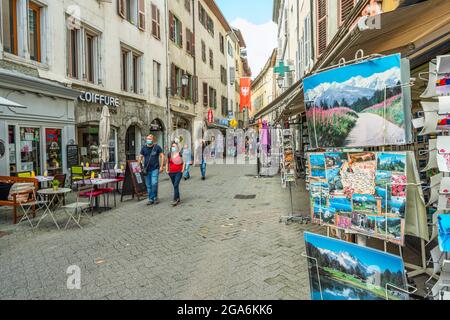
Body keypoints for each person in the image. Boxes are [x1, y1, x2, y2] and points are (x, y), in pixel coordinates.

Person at [139, 134, 164, 206]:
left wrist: (161, 166)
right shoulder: (144, 148)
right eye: (147, 139)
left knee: (154, 183)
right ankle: (150, 199)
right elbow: (140, 157)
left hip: (155, 168)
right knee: (148, 185)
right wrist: (138, 164)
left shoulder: (157, 147)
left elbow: (162, 156)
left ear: (153, 140)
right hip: (146, 170)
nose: (148, 140)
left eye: (150, 139)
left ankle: (155, 197)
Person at [166, 142, 185, 206]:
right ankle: (178, 197)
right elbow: (167, 162)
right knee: (175, 186)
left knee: (176, 185)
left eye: (174, 146)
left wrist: (182, 170)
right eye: (172, 146)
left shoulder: (180, 154)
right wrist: (167, 170)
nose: (173, 147)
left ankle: (175, 199)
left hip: (178, 172)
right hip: (171, 173)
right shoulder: (169, 154)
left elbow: (184, 162)